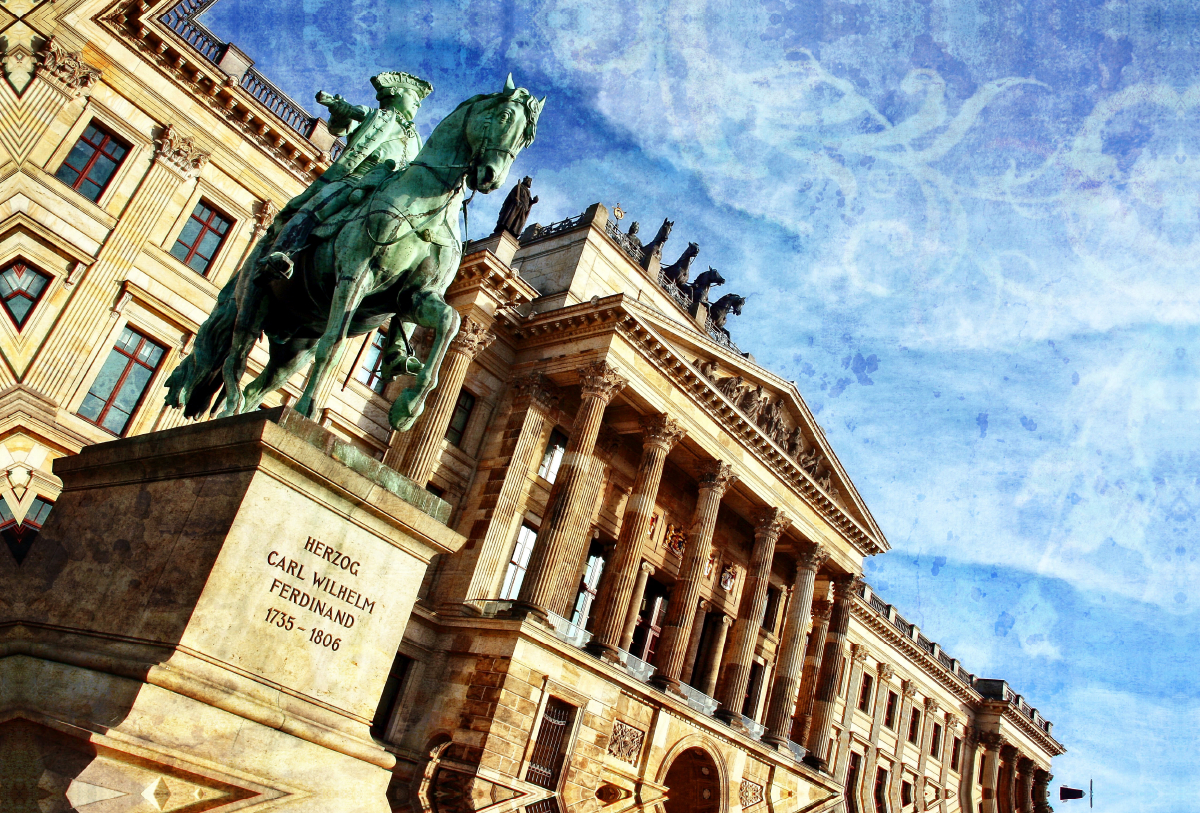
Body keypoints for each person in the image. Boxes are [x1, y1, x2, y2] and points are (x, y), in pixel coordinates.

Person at [260, 71, 433, 277]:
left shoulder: (416, 137)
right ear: (395, 92)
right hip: (357, 180)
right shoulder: (371, 114)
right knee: (319, 205)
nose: (418, 104)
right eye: (414, 97)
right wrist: (340, 112)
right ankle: (281, 253)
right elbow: (339, 127)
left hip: (393, 193)